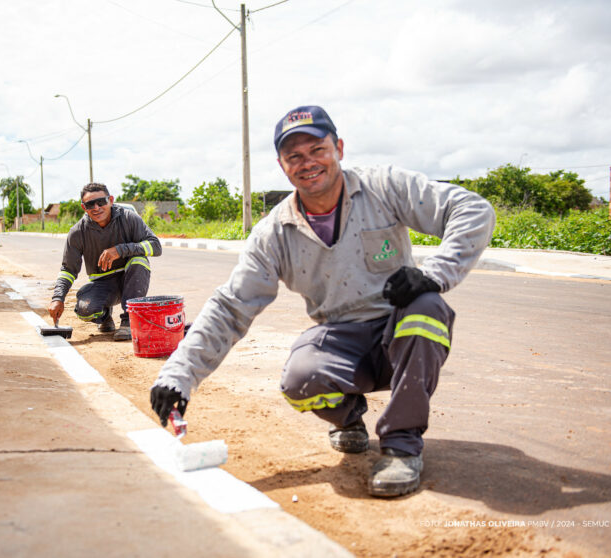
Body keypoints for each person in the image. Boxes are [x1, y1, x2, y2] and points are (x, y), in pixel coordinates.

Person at [150, 105, 495, 497]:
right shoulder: (275, 233)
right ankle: (348, 419)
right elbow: (230, 307)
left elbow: (472, 209)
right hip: (343, 340)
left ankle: (402, 446)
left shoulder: (383, 187)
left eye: (317, 149)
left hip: (401, 331)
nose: (307, 163)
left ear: (339, 148)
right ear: (282, 166)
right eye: (294, 156)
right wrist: (178, 375)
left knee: (427, 308)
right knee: (301, 377)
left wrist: (434, 273)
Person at [49, 183, 162, 341]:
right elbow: (68, 270)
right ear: (84, 207)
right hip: (104, 285)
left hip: (131, 282)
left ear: (110, 200)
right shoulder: (77, 233)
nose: (96, 208)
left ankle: (129, 320)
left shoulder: (129, 219)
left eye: (101, 202)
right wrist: (58, 298)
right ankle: (104, 316)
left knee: (139, 260)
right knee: (84, 309)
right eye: (90, 204)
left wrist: (120, 250)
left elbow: (156, 246)